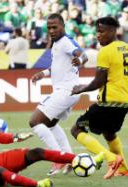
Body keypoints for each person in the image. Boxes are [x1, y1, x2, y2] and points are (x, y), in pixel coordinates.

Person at [70, 16, 128, 179]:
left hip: (108, 102)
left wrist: (81, 89)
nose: (98, 35)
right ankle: (124, 169)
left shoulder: (105, 51)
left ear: (113, 31)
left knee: (76, 129)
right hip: (124, 103)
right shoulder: (127, 47)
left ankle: (112, 159)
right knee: (109, 133)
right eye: (97, 32)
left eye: (101, 31)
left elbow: (98, 81)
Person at [30, 13, 88, 176]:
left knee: (34, 121)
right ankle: (70, 159)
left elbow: (83, 55)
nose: (51, 30)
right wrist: (43, 73)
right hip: (66, 91)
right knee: (50, 124)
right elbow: (57, 65)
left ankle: (58, 157)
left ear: (63, 26)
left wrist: (81, 60)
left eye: (55, 27)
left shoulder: (65, 42)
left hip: (66, 91)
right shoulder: (56, 43)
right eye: (49, 28)